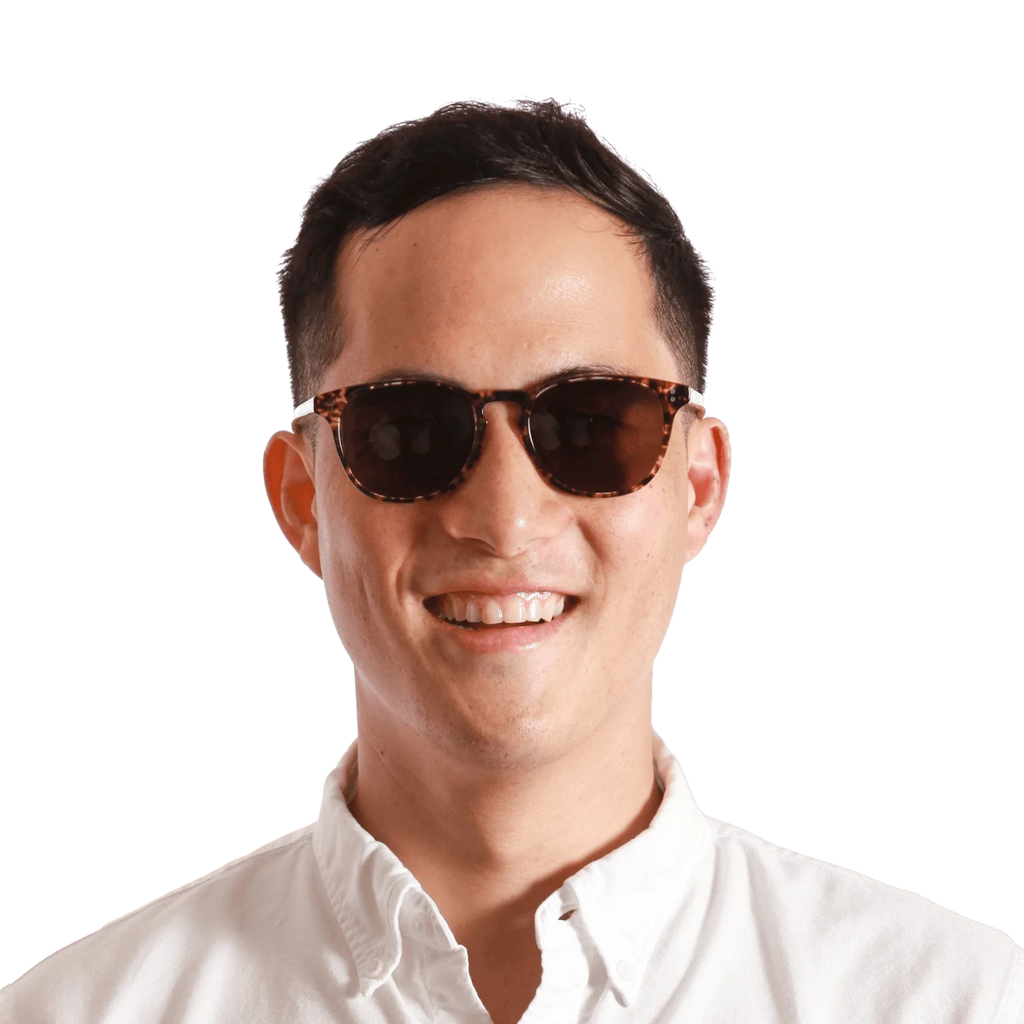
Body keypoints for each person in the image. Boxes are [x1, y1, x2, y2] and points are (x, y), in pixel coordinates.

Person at [3, 93, 1020, 1024]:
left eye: (591, 423)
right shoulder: (69, 1015)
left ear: (699, 484)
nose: (502, 517)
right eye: (406, 430)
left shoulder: (960, 1003)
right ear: (303, 499)